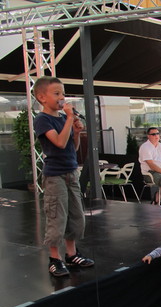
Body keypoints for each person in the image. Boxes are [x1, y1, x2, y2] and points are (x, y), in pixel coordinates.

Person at [32, 76, 94, 277]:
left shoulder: (62, 119)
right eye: (56, 93)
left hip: (71, 173)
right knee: (57, 217)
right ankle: (54, 259)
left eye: (62, 93)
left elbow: (71, 148)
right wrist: (68, 119)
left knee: (76, 216)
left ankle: (71, 254)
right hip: (54, 176)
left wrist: (76, 133)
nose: (62, 98)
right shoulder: (42, 119)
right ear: (42, 97)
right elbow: (58, 143)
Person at [138, 127, 161, 206]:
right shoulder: (145, 147)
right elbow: (151, 165)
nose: (156, 135)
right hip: (150, 173)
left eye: (157, 133)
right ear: (148, 136)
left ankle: (158, 196)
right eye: (153, 134)